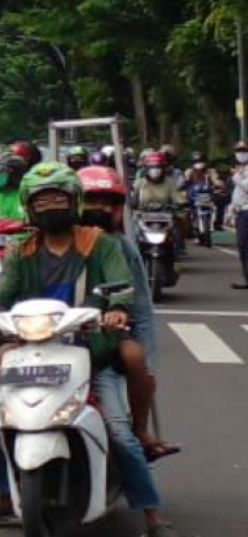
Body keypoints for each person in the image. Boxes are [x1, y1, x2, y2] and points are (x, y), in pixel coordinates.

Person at [0, 162, 186, 537]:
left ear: (74, 202)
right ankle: (3, 499)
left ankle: (152, 517)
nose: (50, 206)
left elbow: (122, 288)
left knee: (121, 435)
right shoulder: (20, 250)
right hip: (38, 354)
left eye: (58, 198)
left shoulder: (101, 244)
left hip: (92, 354)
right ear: (30, 208)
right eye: (41, 200)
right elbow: (3, 293)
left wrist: (116, 309)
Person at [77, 165, 179, 461]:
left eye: (110, 203)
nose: (101, 209)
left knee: (137, 363)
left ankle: (140, 430)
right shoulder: (56, 241)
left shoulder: (120, 247)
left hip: (106, 337)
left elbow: (141, 308)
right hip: (60, 336)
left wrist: (147, 358)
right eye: (93, 200)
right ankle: (7, 492)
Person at [134, 151, 188, 254]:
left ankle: (180, 243)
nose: (155, 171)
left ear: (163, 169)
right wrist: (132, 204)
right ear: (146, 169)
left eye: (158, 168)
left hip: (166, 215)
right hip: (143, 215)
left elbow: (178, 198)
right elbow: (132, 198)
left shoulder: (170, 183)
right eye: (152, 168)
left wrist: (181, 204)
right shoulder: (139, 183)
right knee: (132, 229)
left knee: (183, 217)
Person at [229, 141, 248, 289]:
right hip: (241, 210)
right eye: (238, 151)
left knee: (245, 245)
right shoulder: (240, 169)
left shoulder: (242, 172)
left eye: (244, 151)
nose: (241, 153)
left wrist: (237, 177)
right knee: (242, 246)